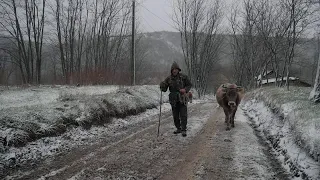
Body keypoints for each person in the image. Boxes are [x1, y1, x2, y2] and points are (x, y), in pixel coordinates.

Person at [160, 62, 192, 137]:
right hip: (173, 100)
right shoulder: (168, 78)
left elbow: (189, 84)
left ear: (178, 70)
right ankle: (178, 128)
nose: (174, 71)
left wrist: (185, 89)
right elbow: (164, 89)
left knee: (183, 115)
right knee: (175, 115)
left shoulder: (183, 77)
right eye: (173, 69)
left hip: (182, 98)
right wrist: (162, 85)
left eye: (176, 69)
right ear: (171, 70)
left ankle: (184, 129)